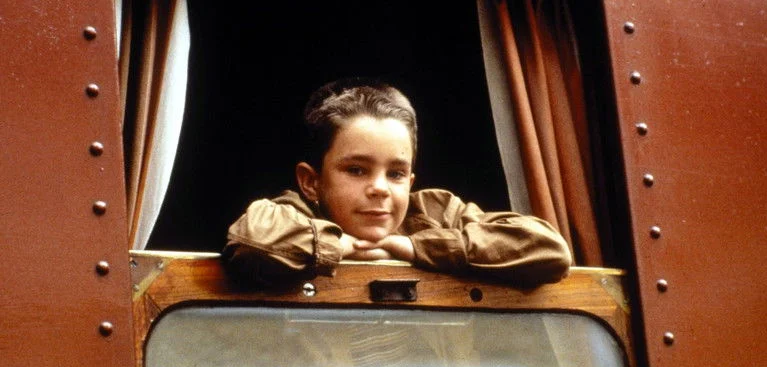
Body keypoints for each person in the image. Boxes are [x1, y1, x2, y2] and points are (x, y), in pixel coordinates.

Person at [223, 77, 571, 286]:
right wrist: (340, 246)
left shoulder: (436, 213)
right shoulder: (292, 214)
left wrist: (414, 248)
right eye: (356, 170)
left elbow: (549, 249)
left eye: (396, 174)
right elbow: (254, 243)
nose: (380, 188)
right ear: (311, 182)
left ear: (411, 180)